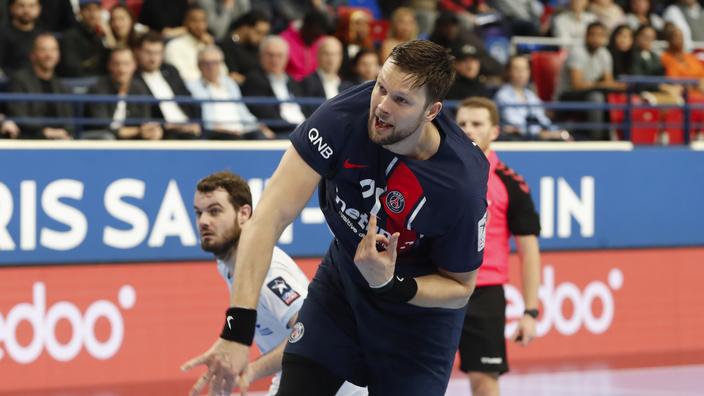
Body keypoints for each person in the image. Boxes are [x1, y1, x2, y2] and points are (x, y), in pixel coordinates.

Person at [181, 39, 489, 396]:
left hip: (416, 319)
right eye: (381, 87)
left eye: (401, 100)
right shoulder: (342, 117)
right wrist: (237, 330)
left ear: (431, 111)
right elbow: (267, 219)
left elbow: (460, 288)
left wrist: (390, 284)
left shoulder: (460, 185)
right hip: (342, 286)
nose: (382, 107)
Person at [191, 170, 367, 396]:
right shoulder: (226, 264)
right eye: (199, 213)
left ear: (244, 214)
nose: (204, 221)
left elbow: (313, 334)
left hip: (333, 385)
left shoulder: (269, 272)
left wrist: (251, 370)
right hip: (293, 374)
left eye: (215, 211)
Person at [455, 97, 542, 396]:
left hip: (484, 293)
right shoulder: (434, 174)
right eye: (462, 124)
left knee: (484, 381)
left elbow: (529, 251)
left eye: (477, 124)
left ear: (495, 131)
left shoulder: (510, 184)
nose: (468, 130)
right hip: (436, 286)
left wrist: (530, 312)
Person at [187, 46, 275, 140]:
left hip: (242, 130)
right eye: (207, 63)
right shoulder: (193, 86)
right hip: (217, 132)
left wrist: (259, 126)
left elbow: (242, 111)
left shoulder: (230, 83)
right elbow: (205, 119)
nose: (211, 67)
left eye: (215, 63)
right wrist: (221, 129)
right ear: (199, 66)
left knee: (264, 136)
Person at [133, 31, 202, 139]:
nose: (153, 58)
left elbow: (188, 99)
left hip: (189, 128)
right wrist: (171, 126)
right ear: (137, 52)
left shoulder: (171, 71)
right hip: (162, 132)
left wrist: (194, 123)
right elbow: (143, 114)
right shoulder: (133, 78)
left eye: (158, 53)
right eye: (148, 52)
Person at [83, 47, 162, 140]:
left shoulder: (139, 89)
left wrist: (151, 131)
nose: (122, 70)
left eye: (126, 64)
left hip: (132, 137)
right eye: (117, 64)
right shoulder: (98, 89)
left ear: (134, 65)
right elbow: (102, 126)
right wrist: (137, 131)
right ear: (109, 66)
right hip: (101, 139)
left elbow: (144, 121)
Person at [6, 32, 74, 139]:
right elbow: (19, 117)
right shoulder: (19, 80)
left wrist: (64, 132)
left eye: (53, 50)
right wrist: (44, 132)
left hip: (60, 140)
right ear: (32, 55)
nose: (49, 55)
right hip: (30, 140)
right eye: (43, 50)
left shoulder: (61, 86)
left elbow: (69, 120)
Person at [494, 55, 570, 141]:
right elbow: (517, 126)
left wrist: (557, 131)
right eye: (516, 69)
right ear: (508, 72)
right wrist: (542, 133)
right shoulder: (502, 95)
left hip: (536, 138)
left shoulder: (530, 95)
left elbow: (542, 119)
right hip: (517, 141)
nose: (521, 73)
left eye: (525, 69)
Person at [57, 0, 110, 77]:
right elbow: (72, 68)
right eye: (88, 10)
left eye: (96, 10)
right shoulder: (69, 36)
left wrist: (108, 35)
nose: (93, 15)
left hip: (99, 83)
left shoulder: (101, 36)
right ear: (80, 13)